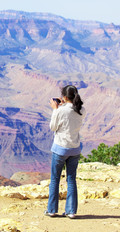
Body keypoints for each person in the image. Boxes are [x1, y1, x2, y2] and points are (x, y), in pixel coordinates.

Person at [44, 85, 86, 219]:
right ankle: (71, 211)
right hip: (74, 149)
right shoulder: (81, 110)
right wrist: (64, 104)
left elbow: (53, 127)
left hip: (60, 148)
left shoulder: (60, 111)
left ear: (64, 97)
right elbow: (72, 113)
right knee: (71, 179)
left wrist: (55, 109)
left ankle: (51, 210)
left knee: (55, 179)